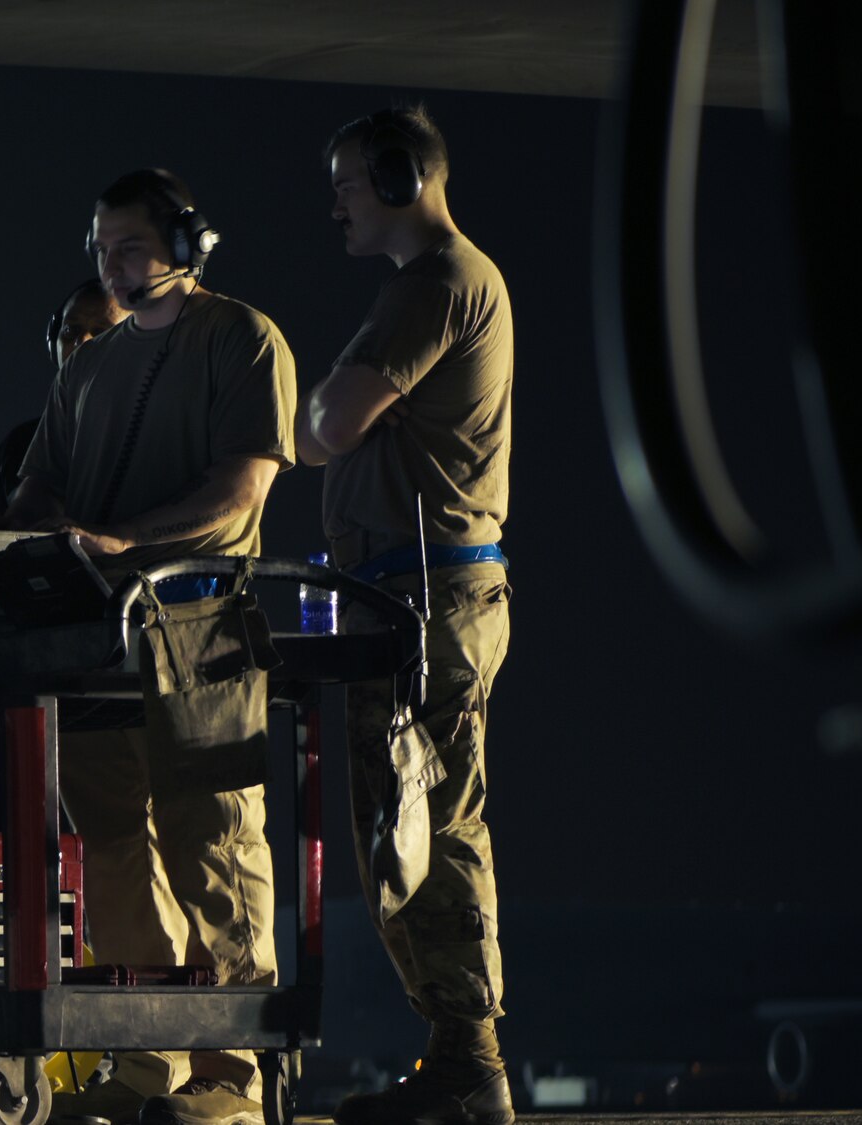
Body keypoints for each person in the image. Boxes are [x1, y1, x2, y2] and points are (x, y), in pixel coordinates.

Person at [4, 169, 298, 1125]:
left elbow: (242, 487)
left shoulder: (243, 340)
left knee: (214, 844)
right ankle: (151, 1057)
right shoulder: (89, 366)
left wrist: (129, 544)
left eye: (130, 247)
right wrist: (30, 534)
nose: (114, 268)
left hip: (201, 628)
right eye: (101, 251)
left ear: (188, 242)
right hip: (97, 642)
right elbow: (40, 481)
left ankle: (238, 1075)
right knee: (113, 852)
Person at [296, 106, 516, 1125]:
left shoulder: (433, 285)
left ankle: (470, 1067)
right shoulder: (426, 288)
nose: (335, 203)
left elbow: (326, 425)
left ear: (396, 179)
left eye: (346, 182)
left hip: (426, 600)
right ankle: (452, 1057)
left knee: (433, 827)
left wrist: (310, 412)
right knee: (405, 833)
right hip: (402, 598)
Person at [0, 279, 129, 526]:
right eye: (71, 332)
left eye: (102, 332)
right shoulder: (19, 445)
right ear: (53, 344)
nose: (82, 342)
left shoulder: (162, 440)